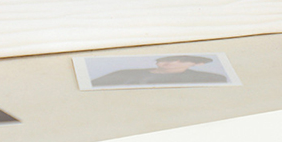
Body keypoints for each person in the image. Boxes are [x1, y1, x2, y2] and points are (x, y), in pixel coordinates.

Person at [90, 55, 228, 87]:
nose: (172, 63)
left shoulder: (210, 78)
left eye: (181, 60)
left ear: (198, 64)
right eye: (167, 59)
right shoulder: (124, 74)